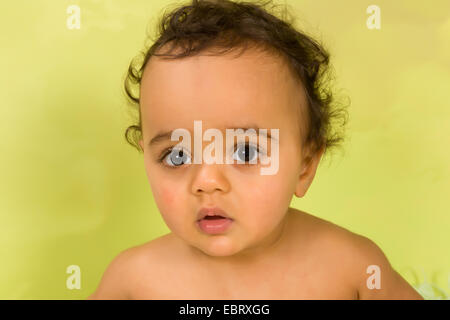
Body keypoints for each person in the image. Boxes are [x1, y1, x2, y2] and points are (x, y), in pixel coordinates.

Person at [88, 0, 423, 299]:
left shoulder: (352, 269)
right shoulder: (134, 280)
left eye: (245, 153)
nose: (206, 181)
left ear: (304, 167)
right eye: (178, 156)